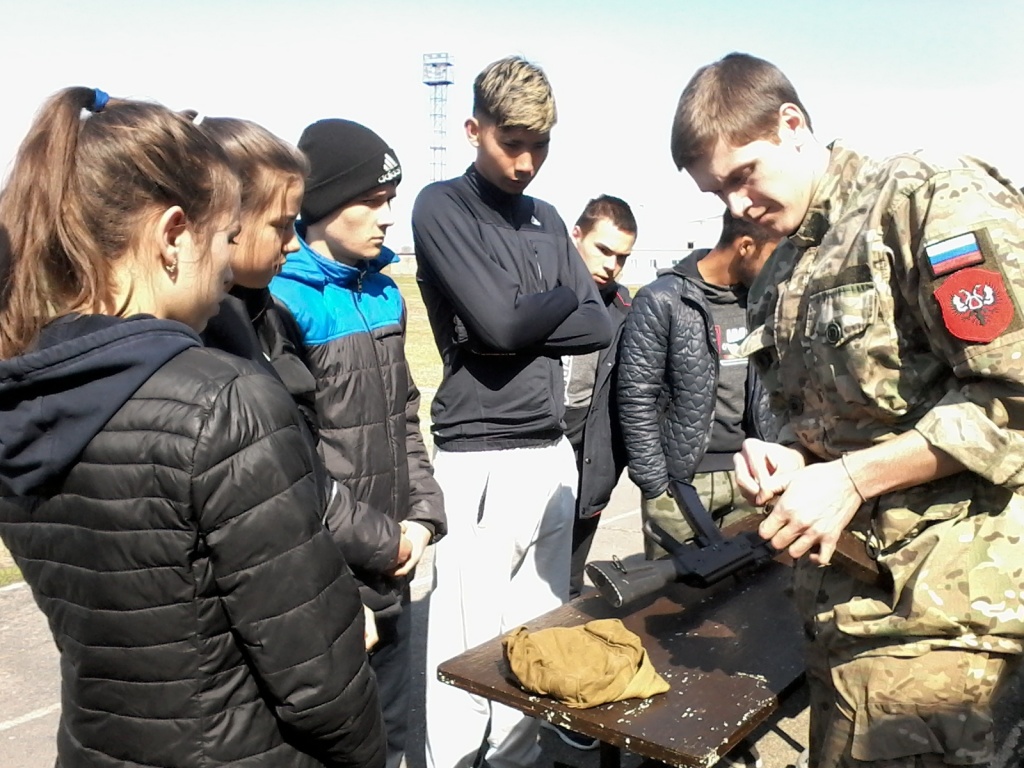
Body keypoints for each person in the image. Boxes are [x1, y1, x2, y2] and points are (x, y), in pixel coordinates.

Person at [0, 88, 384, 767]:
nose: (223, 268)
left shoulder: (24, 391)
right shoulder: (223, 400)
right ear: (174, 234)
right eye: (223, 237)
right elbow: (320, 680)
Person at [671, 52, 1024, 767]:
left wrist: (853, 479)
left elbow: (1011, 392)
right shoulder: (781, 269)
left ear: (794, 125)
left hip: (945, 625)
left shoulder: (925, 197)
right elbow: (850, 427)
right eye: (719, 193)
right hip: (843, 617)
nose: (738, 206)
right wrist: (795, 461)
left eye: (744, 175)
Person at [412, 55, 613, 768]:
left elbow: (596, 325)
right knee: (467, 657)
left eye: (541, 147)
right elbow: (498, 330)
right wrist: (547, 299)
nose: (528, 164)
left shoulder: (550, 217)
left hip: (547, 449)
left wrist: (522, 314)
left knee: (536, 644)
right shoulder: (441, 207)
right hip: (479, 456)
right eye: (512, 144)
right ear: (473, 130)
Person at [269, 117, 446, 768]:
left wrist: (423, 518)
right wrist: (380, 539)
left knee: (395, 738)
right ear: (320, 205)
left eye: (392, 200)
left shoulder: (385, 292)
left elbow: (404, 412)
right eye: (372, 201)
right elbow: (289, 466)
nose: (389, 217)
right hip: (328, 577)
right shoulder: (282, 303)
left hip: (394, 564)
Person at [618, 210, 782, 559]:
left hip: (752, 479)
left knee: (745, 598)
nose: (779, 267)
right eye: (774, 254)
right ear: (746, 247)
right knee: (674, 602)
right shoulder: (663, 299)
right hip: (681, 485)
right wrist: (655, 484)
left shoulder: (762, 301)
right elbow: (635, 397)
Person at [564, 194, 636, 600]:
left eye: (622, 257)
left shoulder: (628, 311)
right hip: (535, 458)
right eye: (603, 250)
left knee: (569, 588)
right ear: (577, 236)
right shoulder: (537, 293)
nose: (612, 265)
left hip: (590, 466)